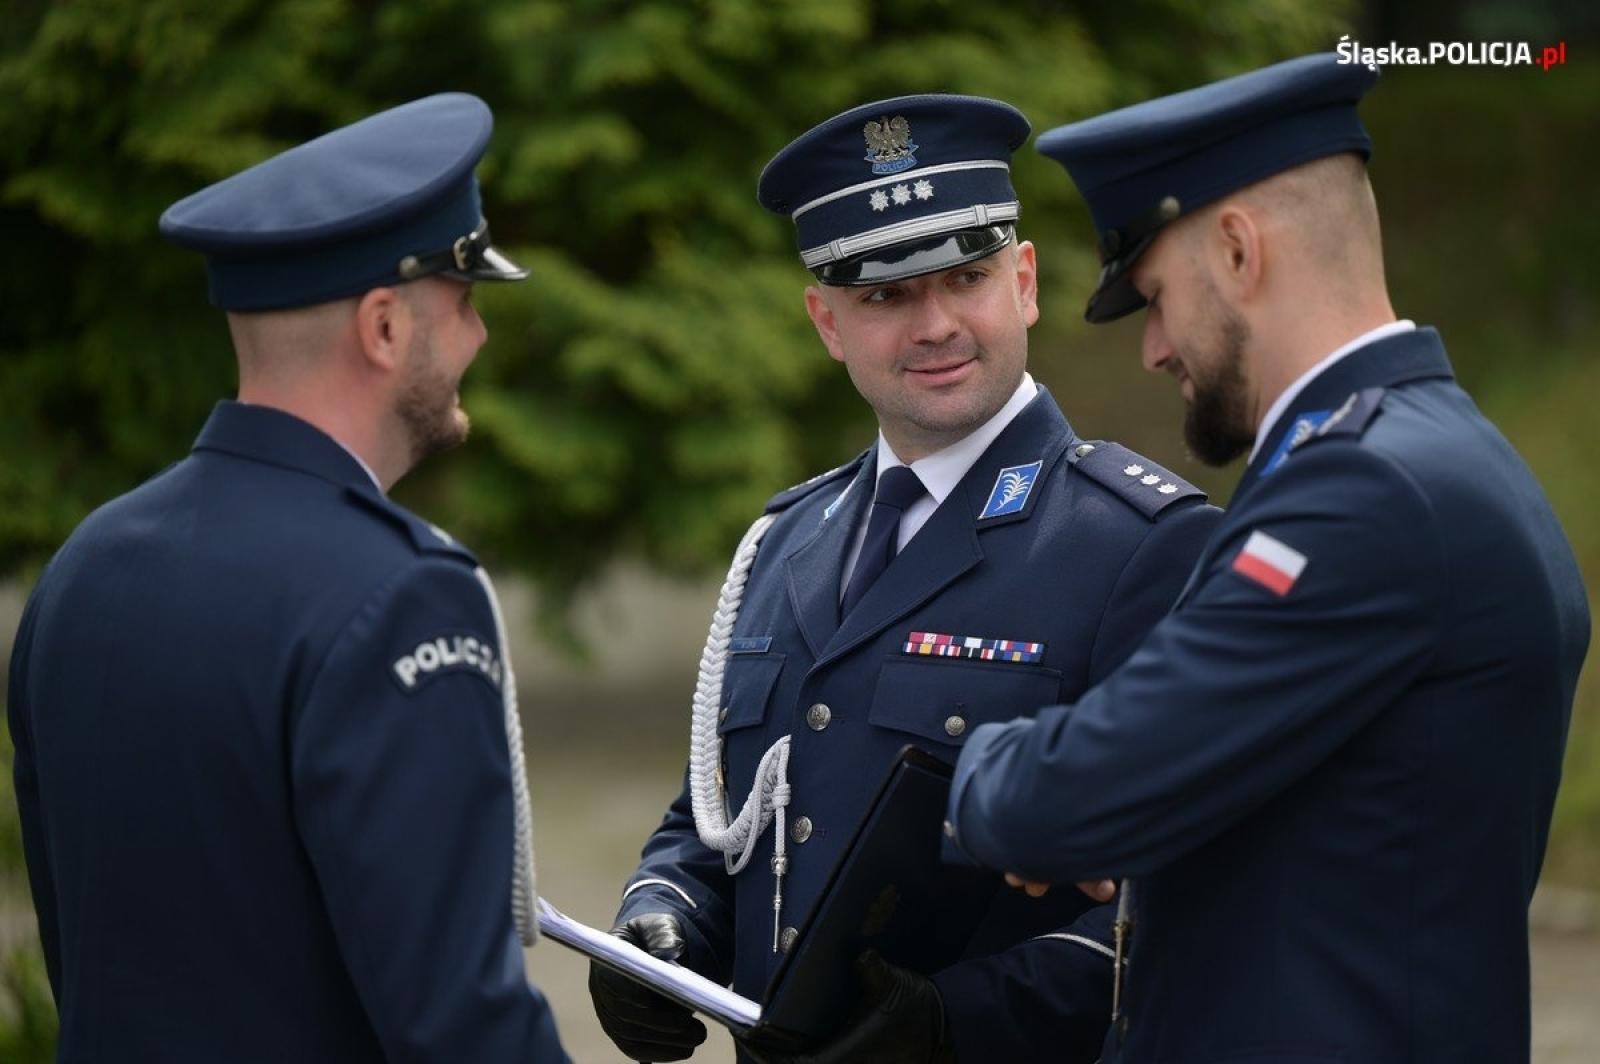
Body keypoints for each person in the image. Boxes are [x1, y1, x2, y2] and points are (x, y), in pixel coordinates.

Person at [945, 53, 1591, 1063]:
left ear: (1239, 251)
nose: (1153, 348)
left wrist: (986, 768)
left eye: (1154, 296)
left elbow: (1064, 797)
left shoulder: (1363, 498)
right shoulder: (1443, 453)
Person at [587, 94, 1222, 1064]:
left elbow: (1192, 890)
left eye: (964, 277)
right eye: (884, 295)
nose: (933, 325)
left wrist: (957, 1019)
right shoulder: (784, 538)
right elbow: (717, 813)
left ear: (1024, 281)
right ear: (826, 321)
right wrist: (659, 917)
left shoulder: (1137, 543)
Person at [6, 94, 570, 1062]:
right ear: (385, 327)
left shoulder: (87, 565)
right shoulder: (400, 597)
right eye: (465, 300)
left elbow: (85, 954)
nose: (478, 336)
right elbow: (462, 1028)